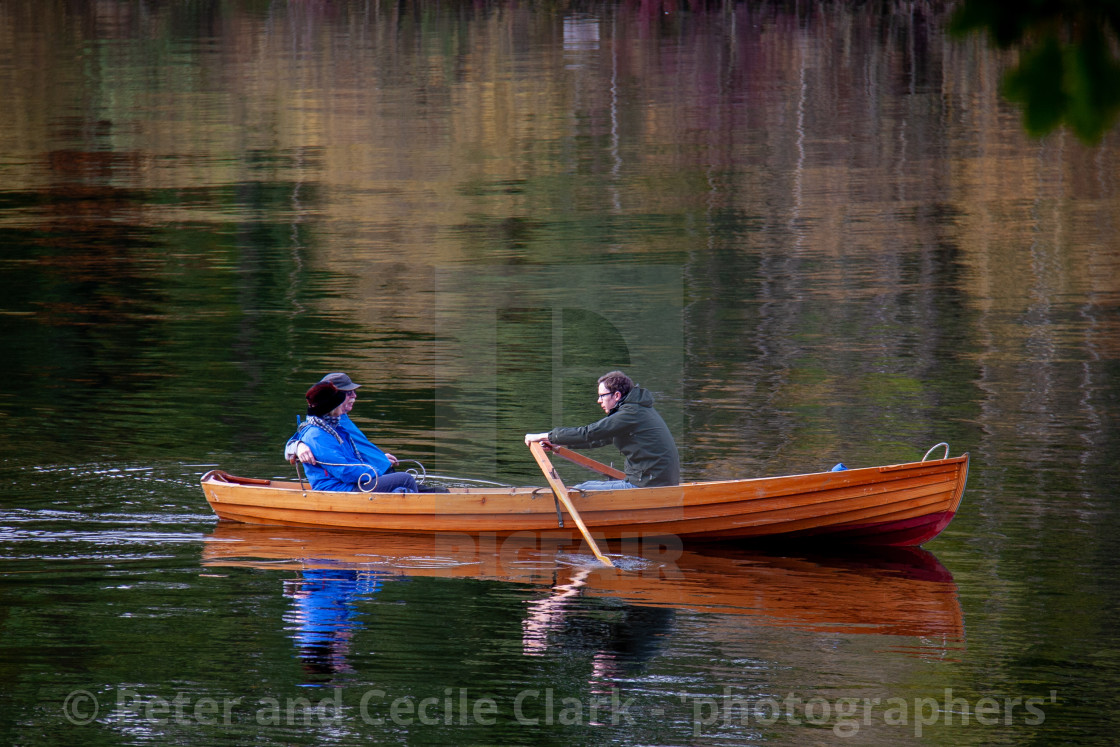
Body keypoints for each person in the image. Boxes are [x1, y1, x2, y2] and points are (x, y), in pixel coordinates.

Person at [285, 372, 446, 493]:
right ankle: (416, 521)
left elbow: (352, 456)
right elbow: (342, 468)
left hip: (362, 477)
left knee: (440, 493)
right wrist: (295, 446)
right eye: (347, 394)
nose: (354, 396)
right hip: (345, 487)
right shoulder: (318, 431)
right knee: (405, 480)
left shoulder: (335, 424)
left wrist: (379, 460)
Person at [524, 371, 680, 490]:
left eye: (602, 396)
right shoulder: (637, 410)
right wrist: (557, 444)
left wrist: (543, 436)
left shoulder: (630, 414)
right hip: (656, 481)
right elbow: (599, 439)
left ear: (617, 395)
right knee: (584, 487)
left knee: (580, 490)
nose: (599, 401)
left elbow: (589, 432)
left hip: (648, 485)